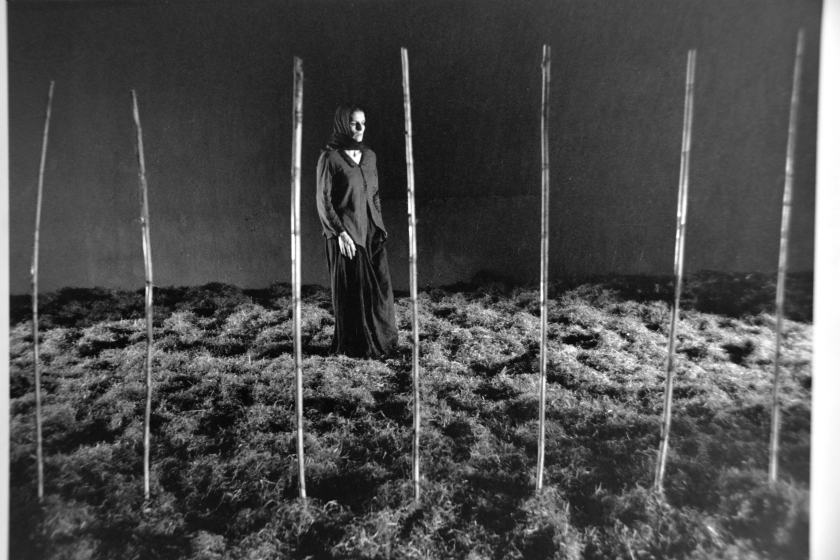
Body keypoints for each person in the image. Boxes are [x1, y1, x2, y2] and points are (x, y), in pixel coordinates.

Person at [316, 104, 399, 358]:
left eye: (364, 122)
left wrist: (379, 225)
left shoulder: (370, 156)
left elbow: (374, 194)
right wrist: (340, 233)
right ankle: (357, 349)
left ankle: (383, 344)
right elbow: (323, 201)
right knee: (355, 293)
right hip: (347, 234)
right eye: (354, 123)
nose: (361, 128)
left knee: (380, 291)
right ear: (343, 124)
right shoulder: (330, 158)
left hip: (371, 232)